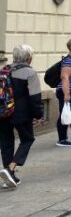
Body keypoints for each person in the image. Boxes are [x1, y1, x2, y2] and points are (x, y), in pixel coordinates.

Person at [0, 45, 44, 188]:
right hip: (22, 114)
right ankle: (10, 169)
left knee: (6, 143)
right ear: (29, 57)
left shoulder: (4, 70)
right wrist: (39, 115)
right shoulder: (30, 72)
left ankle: (9, 177)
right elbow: (35, 97)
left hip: (3, 112)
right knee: (27, 139)